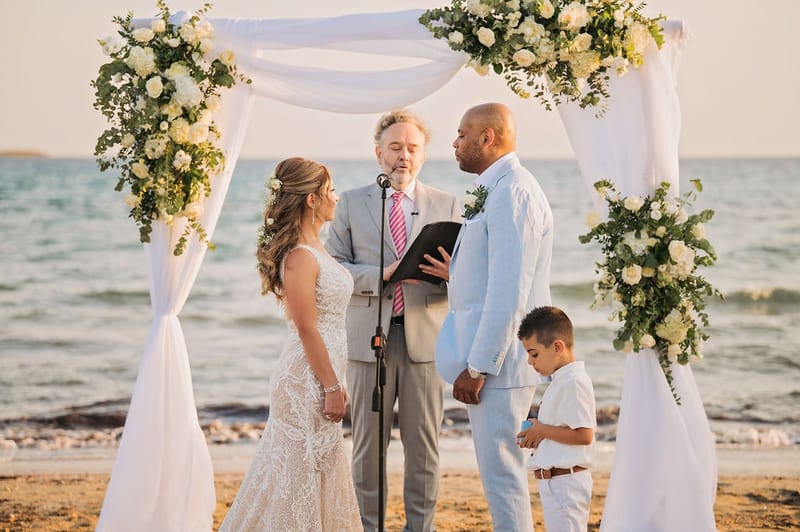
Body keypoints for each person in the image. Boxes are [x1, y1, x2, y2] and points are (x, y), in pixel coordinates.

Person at [326, 109, 461, 532]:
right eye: (396, 147)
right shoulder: (349, 202)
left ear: (423, 155)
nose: (404, 156)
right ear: (378, 152)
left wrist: (451, 275)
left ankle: (419, 528)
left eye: (413, 148)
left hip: (426, 341)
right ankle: (370, 527)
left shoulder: (447, 203)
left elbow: (468, 273)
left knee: (424, 447)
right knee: (368, 449)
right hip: (371, 341)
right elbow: (332, 269)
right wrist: (377, 275)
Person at [220, 157, 361, 531]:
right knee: (293, 481)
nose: (336, 197)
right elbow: (306, 329)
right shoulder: (300, 256)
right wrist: (332, 386)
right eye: (330, 190)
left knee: (311, 476)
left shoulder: (318, 246)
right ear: (312, 199)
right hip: (305, 384)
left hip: (323, 376)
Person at [433, 102, 554, 532]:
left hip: (499, 365)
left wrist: (479, 366)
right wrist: (456, 271)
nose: (455, 142)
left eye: (463, 134)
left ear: (488, 138)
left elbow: (510, 290)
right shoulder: (498, 188)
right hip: (494, 361)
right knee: (500, 474)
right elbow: (492, 275)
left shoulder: (513, 192)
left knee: (503, 476)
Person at [516, 306, 596, 532]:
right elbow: (560, 429)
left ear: (557, 347)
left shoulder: (574, 382)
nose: (531, 362)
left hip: (566, 484)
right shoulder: (560, 380)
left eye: (534, 354)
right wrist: (536, 433)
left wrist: (542, 431)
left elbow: (584, 435)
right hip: (555, 482)